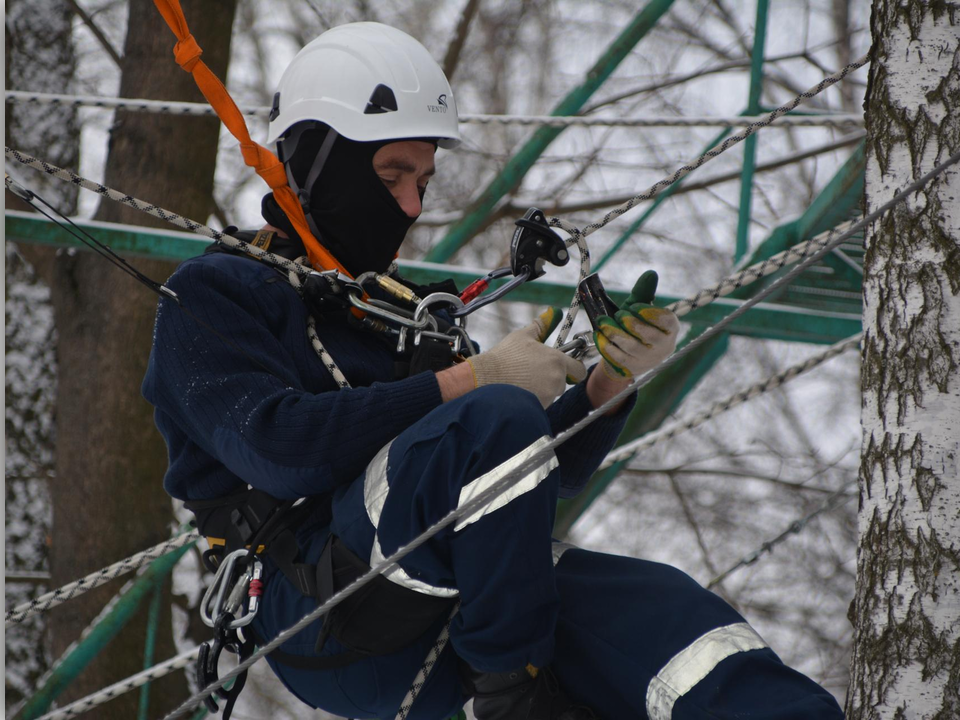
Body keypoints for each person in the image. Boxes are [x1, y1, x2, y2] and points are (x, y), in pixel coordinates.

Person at [143, 22, 845, 720]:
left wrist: (608, 382)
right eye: (392, 176)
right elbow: (280, 448)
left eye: (423, 181)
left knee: (671, 616)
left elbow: (531, 470)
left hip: (462, 602)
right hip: (322, 606)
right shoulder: (213, 295)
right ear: (322, 164)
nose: (412, 207)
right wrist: (474, 381)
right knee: (492, 417)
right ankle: (515, 698)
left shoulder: (402, 312)